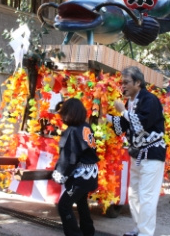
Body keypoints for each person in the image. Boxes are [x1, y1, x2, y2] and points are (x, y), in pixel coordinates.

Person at [106, 66, 165, 236]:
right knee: (134, 195)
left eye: (126, 82)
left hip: (152, 154)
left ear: (138, 82)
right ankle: (140, 228)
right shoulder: (131, 101)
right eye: (121, 82)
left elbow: (140, 126)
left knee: (147, 196)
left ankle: (146, 233)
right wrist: (106, 117)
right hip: (137, 154)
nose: (122, 86)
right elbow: (124, 126)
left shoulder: (150, 99)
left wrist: (123, 112)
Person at [52, 98, 99, 236]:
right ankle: (88, 232)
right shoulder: (86, 126)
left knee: (64, 206)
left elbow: (68, 158)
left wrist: (59, 174)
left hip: (81, 177)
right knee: (81, 203)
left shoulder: (72, 131)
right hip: (91, 173)